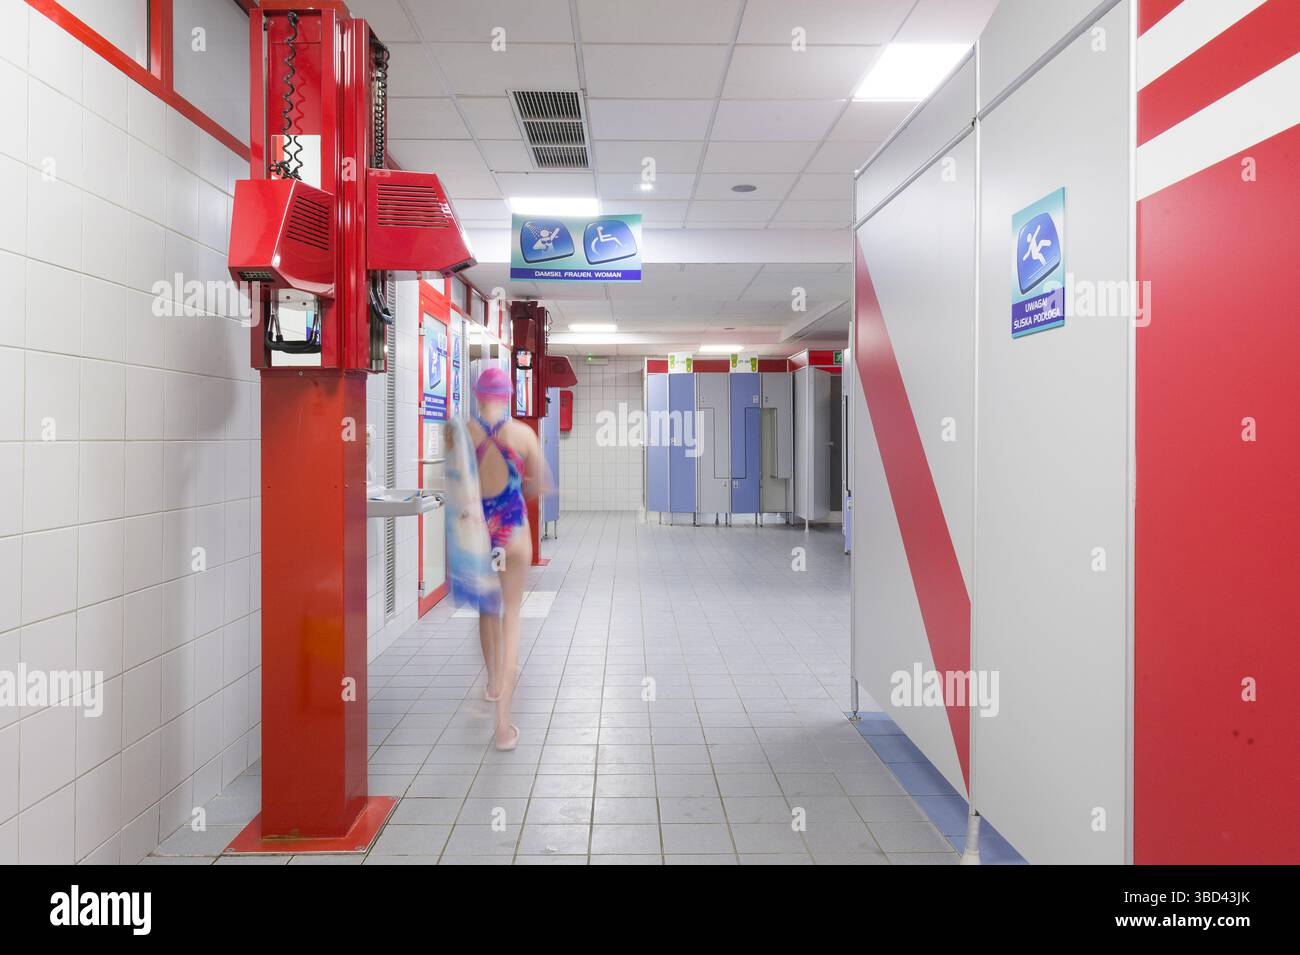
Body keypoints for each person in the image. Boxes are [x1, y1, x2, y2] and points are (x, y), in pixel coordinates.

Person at [465, 367, 542, 752]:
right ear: (509, 396)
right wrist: (518, 489)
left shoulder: (466, 433)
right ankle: (503, 726)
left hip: (482, 536)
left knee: (487, 611)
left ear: (479, 397)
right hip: (514, 533)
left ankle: (494, 683)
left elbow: (457, 486)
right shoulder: (523, 434)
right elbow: (541, 485)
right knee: (512, 617)